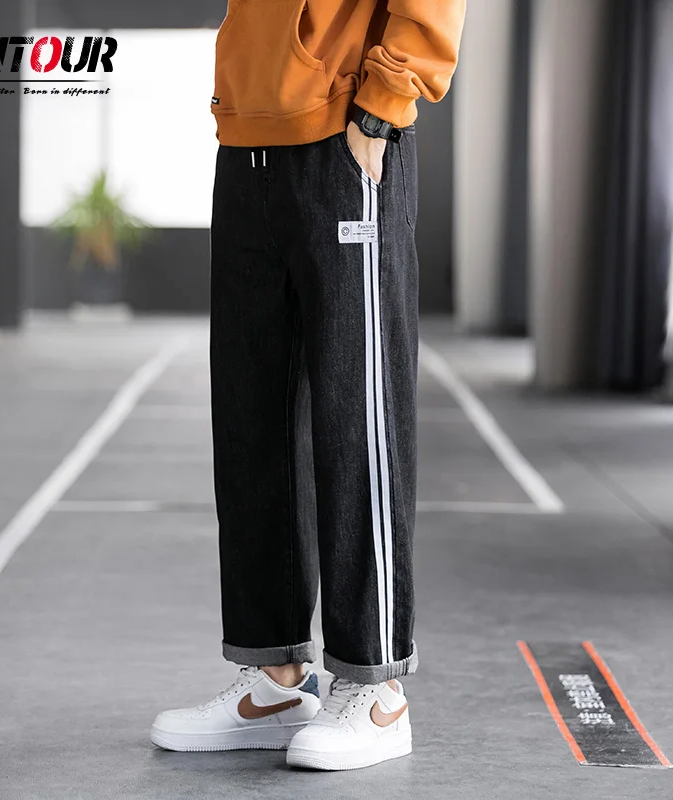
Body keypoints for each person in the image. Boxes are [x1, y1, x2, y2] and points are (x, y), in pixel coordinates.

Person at [151, 0, 466, 771]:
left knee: (358, 417)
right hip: (246, 136)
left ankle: (377, 690)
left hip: (346, 137)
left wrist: (383, 105)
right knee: (251, 422)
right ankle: (275, 680)